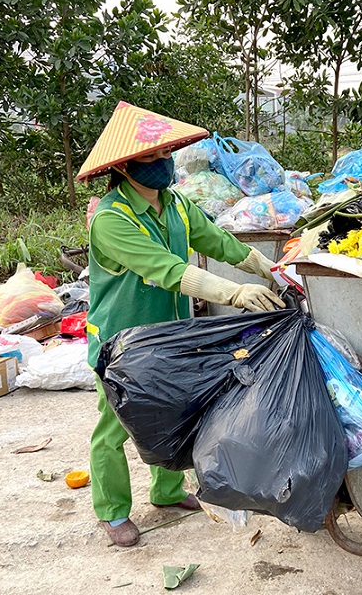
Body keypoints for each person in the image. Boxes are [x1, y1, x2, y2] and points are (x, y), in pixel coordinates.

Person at [77, 102, 284, 547]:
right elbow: (166, 268)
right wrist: (233, 292)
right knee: (114, 427)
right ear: (125, 166)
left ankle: (167, 492)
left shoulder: (176, 205)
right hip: (121, 342)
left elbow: (217, 240)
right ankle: (112, 512)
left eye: (165, 154)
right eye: (150, 158)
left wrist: (264, 266)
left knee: (170, 409)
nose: (162, 163)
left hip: (169, 333)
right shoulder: (112, 219)